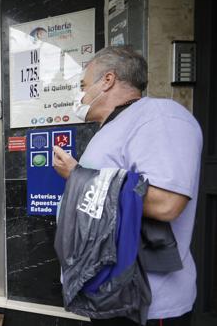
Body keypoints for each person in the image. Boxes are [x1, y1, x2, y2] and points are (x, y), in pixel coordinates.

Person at [53, 46, 203, 326]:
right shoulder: (112, 126)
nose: (81, 95)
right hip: (110, 295)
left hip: (148, 304)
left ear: (107, 80)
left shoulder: (161, 116)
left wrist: (77, 175)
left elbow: (168, 203)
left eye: (84, 85)